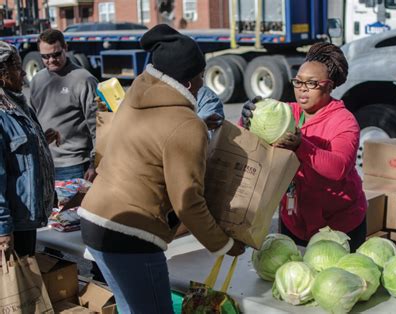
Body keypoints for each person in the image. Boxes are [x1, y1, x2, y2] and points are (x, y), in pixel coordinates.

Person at [78, 24, 245, 313]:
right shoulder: (186, 124)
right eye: (201, 75)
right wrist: (225, 245)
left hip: (94, 220)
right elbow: (188, 203)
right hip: (131, 235)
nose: (204, 81)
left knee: (131, 308)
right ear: (190, 82)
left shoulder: (135, 97)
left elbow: (155, 139)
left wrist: (196, 129)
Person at [241, 42, 367, 252]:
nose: (302, 89)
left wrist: (302, 146)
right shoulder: (287, 114)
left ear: (329, 85)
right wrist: (246, 119)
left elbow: (339, 168)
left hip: (338, 226)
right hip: (294, 220)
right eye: (298, 82)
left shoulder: (344, 122)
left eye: (312, 83)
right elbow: (251, 143)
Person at [0, 41, 55, 258]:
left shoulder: (17, 104)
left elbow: (17, 153)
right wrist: (3, 229)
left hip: (25, 220)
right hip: (11, 225)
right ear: (2, 73)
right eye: (16, 67)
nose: (23, 73)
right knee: (13, 288)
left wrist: (41, 140)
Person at [29, 29, 98, 182]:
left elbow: (98, 127)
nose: (51, 60)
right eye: (45, 57)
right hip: (44, 164)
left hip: (75, 165)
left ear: (65, 48)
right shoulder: (36, 81)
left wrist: (94, 164)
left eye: (56, 54)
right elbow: (33, 121)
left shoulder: (84, 80)